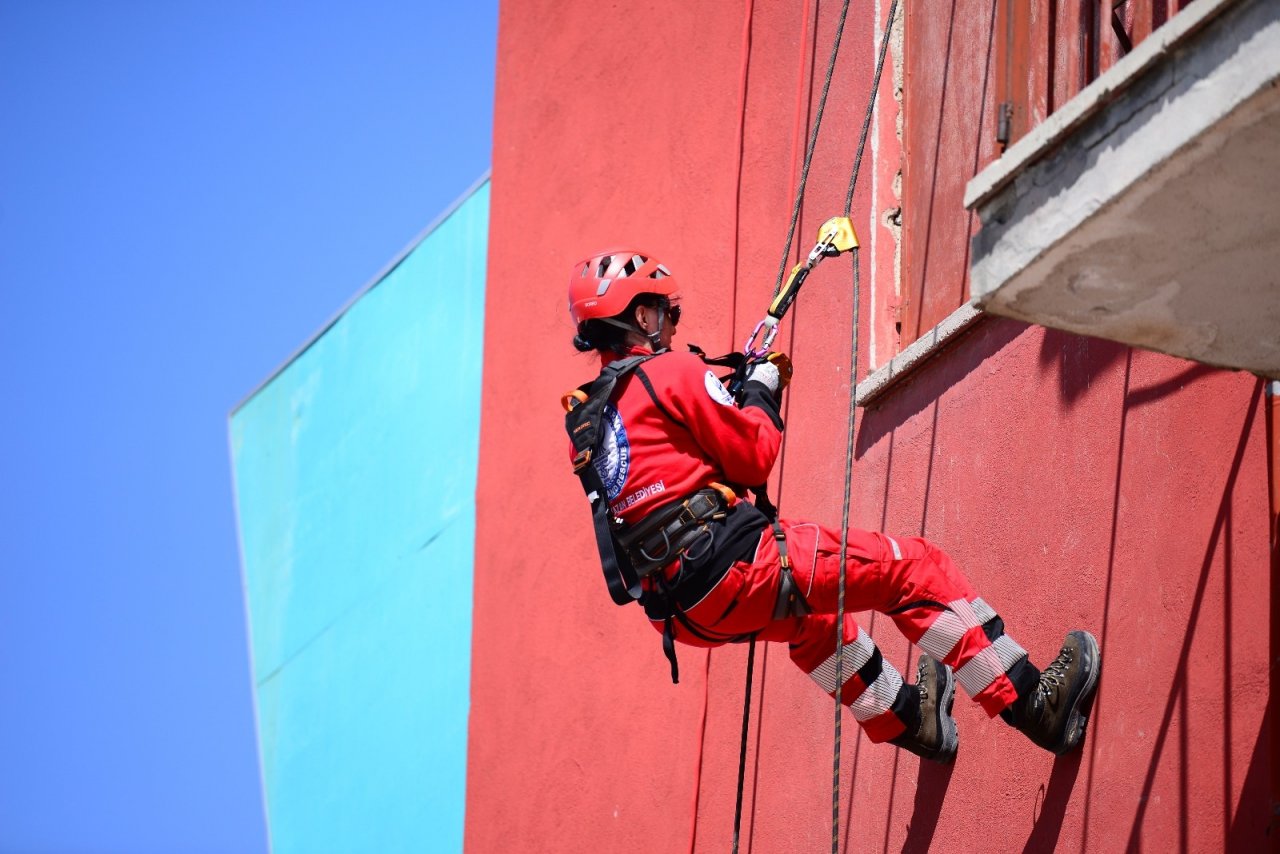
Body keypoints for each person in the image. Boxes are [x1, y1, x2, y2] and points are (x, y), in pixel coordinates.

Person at [562, 248, 1101, 761]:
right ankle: (1033, 703)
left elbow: (670, 479)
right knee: (910, 569)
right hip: (734, 566)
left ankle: (913, 720)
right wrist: (761, 390)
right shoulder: (671, 372)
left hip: (680, 613)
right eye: (663, 312)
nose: (673, 326)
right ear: (641, 316)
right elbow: (753, 458)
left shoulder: (586, 421)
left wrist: (738, 395)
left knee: (811, 624)